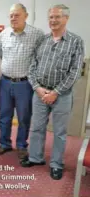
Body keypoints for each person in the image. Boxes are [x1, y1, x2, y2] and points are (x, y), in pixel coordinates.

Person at [21, 4, 85, 180]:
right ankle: (35, 157)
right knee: (37, 128)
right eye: (51, 17)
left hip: (62, 95)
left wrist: (55, 92)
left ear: (66, 18)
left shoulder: (76, 41)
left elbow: (75, 72)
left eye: (57, 17)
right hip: (40, 92)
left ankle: (56, 163)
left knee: (59, 132)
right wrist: (38, 88)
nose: (53, 21)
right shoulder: (43, 39)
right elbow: (32, 66)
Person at [0, 3, 45, 159]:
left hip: (25, 84)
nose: (13, 18)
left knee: (23, 117)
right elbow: (1, 55)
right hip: (5, 82)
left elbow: (39, 59)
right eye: (11, 15)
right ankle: (4, 143)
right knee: (4, 115)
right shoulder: (3, 35)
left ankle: (22, 145)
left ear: (26, 16)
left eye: (17, 15)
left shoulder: (37, 35)